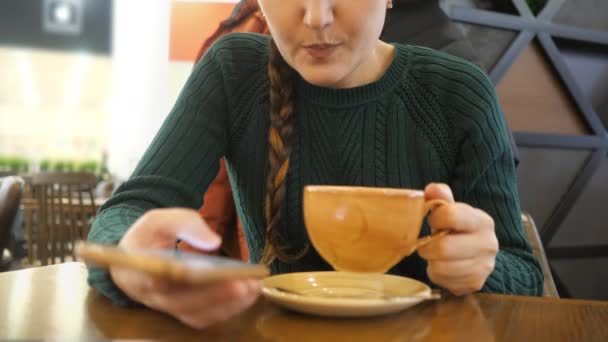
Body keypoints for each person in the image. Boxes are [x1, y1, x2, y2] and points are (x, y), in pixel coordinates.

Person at [88, 0, 543, 329]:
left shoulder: (457, 93)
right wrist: (129, 262)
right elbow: (132, 209)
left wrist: (483, 266)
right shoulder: (233, 72)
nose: (317, 16)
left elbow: (524, 274)